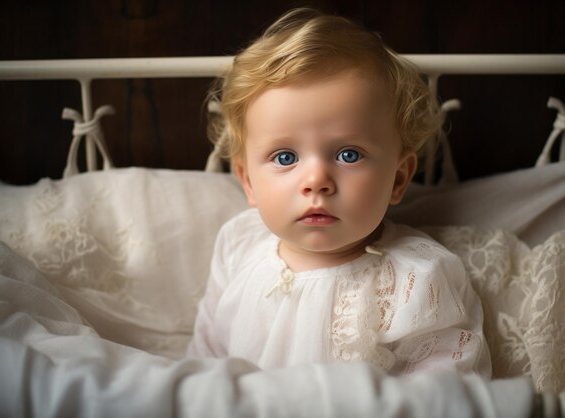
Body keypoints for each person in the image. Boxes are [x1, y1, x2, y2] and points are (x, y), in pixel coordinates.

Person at [187, 7, 491, 378]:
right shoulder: (237, 244)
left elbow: (445, 391)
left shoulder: (416, 279)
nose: (316, 180)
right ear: (248, 181)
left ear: (397, 180)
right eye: (285, 156)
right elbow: (207, 352)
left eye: (349, 154)